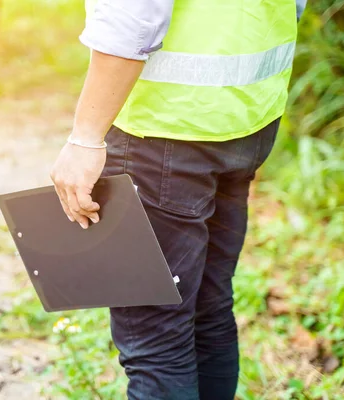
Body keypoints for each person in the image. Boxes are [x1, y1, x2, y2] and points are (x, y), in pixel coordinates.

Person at [50, 1, 307, 399]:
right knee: (209, 308)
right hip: (248, 117)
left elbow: (131, 17)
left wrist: (85, 137)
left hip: (165, 129)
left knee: (157, 336)